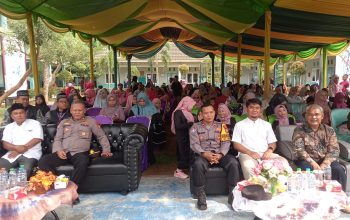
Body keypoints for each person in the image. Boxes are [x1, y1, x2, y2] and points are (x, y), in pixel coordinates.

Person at [38, 101, 112, 204]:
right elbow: (58, 139)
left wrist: (106, 150)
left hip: (80, 153)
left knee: (83, 162)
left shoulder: (90, 121)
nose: (77, 112)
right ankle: (56, 189)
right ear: (71, 111)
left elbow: (101, 136)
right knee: (43, 161)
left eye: (80, 110)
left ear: (84, 111)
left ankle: (71, 193)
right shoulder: (64, 122)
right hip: (64, 152)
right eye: (74, 110)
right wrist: (59, 150)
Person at [190, 103, 240, 210]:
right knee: (198, 164)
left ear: (214, 113)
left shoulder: (222, 126)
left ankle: (233, 193)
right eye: (206, 113)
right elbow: (194, 144)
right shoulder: (195, 127)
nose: (209, 115)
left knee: (233, 163)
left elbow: (226, 142)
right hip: (204, 154)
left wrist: (220, 154)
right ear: (201, 114)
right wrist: (204, 153)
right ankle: (201, 195)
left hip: (219, 154)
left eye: (211, 112)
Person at [292, 104, 346, 190]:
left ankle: (339, 196)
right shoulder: (299, 130)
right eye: (310, 114)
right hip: (306, 160)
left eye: (317, 114)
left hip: (326, 159)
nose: (313, 117)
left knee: (338, 170)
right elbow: (299, 149)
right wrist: (313, 164)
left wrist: (324, 164)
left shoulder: (329, 130)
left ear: (322, 116)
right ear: (306, 116)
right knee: (306, 170)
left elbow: (334, 150)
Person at [232, 98, 288, 180]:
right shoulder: (239, 125)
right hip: (246, 154)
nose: (254, 110)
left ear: (261, 110)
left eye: (257, 108)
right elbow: (236, 144)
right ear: (247, 109)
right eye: (251, 107)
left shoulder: (267, 125)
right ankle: (254, 190)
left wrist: (269, 151)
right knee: (249, 167)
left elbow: (272, 142)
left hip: (265, 153)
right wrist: (250, 152)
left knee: (284, 163)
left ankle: (275, 189)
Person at [0, 103, 43, 177]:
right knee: (1, 167)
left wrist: (21, 149)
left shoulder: (35, 123)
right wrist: (16, 149)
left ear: (25, 113)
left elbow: (37, 139)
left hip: (31, 153)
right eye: (16, 113)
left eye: (21, 113)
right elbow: (5, 143)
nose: (19, 115)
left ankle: (21, 187)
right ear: (12, 116)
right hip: (12, 153)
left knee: (25, 171)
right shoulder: (9, 127)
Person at [172, 97, 196, 179]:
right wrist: (190, 124)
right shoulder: (178, 113)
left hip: (187, 136)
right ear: (187, 104)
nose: (192, 107)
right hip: (182, 137)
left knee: (188, 152)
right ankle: (178, 171)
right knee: (184, 153)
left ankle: (188, 168)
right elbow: (178, 125)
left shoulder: (187, 113)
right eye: (191, 105)